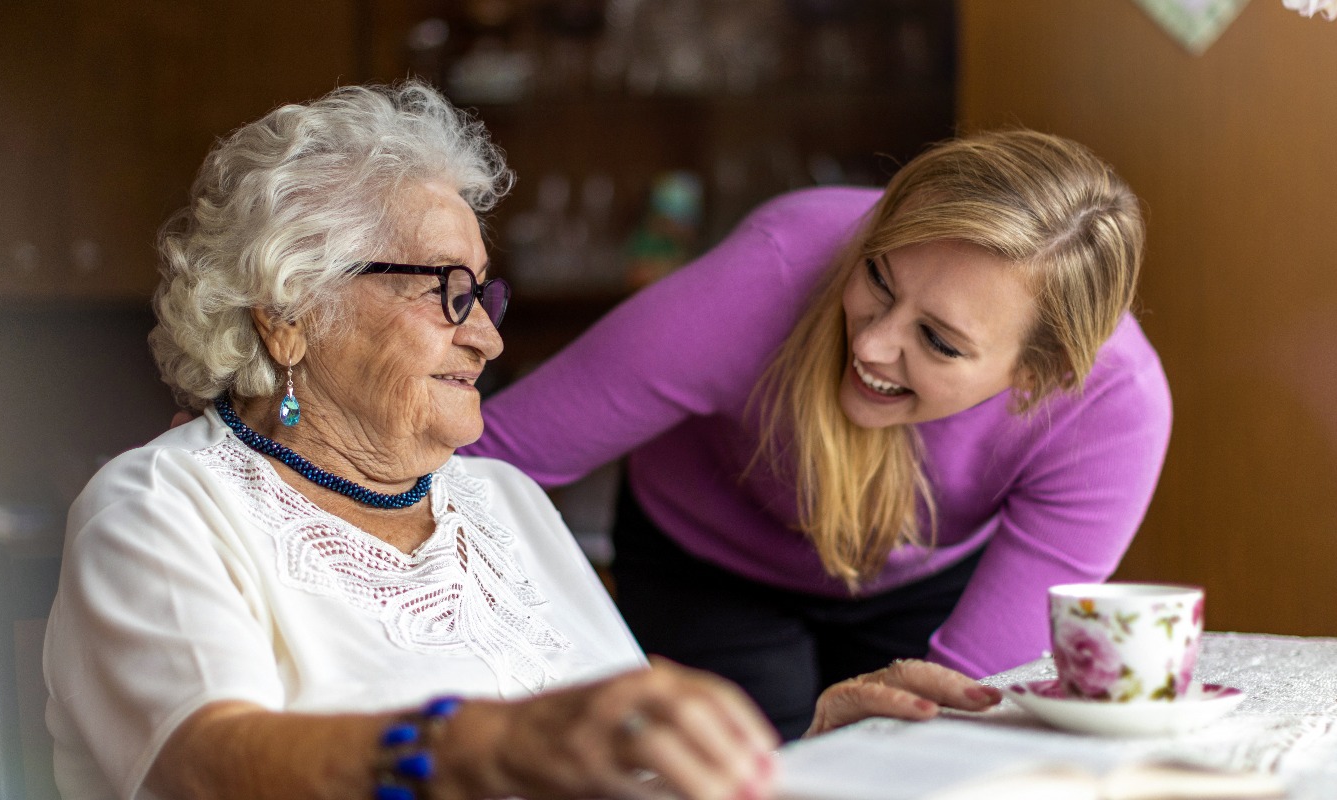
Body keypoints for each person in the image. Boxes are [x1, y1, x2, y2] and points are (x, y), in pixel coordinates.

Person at [42, 83, 1002, 800]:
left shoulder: (496, 500)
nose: (488, 336)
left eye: (484, 294)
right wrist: (483, 746)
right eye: (444, 291)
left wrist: (808, 738)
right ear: (291, 314)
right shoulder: (164, 507)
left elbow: (618, 753)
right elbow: (204, 764)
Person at [463, 129, 1171, 739]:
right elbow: (483, 460)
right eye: (879, 279)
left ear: (1037, 377)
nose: (873, 345)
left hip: (923, 579)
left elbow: (967, 708)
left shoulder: (1114, 410)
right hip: (708, 561)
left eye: (937, 340)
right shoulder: (771, 271)